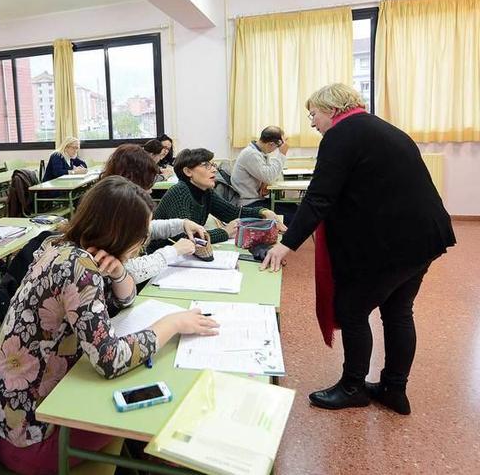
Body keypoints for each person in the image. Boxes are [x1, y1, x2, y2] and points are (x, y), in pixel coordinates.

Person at [0, 176, 219, 475]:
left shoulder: (65, 246)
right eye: (139, 236)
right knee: (167, 412)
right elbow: (109, 359)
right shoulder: (78, 268)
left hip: (18, 419)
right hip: (31, 439)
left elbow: (125, 299)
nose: (142, 244)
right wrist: (172, 324)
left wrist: (120, 273)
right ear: (117, 232)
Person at [262, 83, 455, 415]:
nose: (311, 122)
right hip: (425, 237)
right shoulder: (384, 129)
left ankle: (353, 387)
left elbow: (320, 196)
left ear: (332, 109)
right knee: (397, 311)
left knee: (352, 310)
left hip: (395, 243)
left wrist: (287, 244)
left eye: (313, 114)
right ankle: (394, 389)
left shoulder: (341, 135)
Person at [100, 144, 206, 283]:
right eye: (147, 183)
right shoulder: (114, 208)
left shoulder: (119, 201)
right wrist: (173, 251)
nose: (150, 191)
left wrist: (182, 223)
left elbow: (147, 228)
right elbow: (126, 271)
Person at [154, 148, 284, 243]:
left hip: (183, 256)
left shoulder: (206, 192)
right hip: (163, 257)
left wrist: (263, 212)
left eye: (212, 165)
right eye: (206, 165)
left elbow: (233, 213)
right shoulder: (180, 192)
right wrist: (224, 232)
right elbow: (184, 238)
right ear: (188, 171)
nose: (214, 169)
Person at [231, 126, 289, 207]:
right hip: (248, 203)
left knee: (293, 207)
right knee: (293, 213)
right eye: (277, 147)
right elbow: (269, 177)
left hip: (256, 199)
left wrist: (264, 182)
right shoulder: (251, 154)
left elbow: (268, 175)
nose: (276, 150)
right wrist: (282, 155)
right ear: (271, 144)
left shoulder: (260, 152)